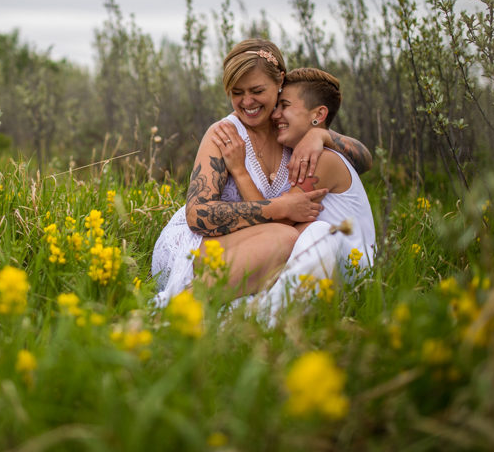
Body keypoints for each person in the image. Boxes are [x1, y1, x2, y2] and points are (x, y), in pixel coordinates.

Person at [150, 39, 372, 306]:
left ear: (280, 80)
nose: (247, 102)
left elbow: (363, 159)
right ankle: (178, 306)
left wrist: (321, 134)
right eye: (236, 93)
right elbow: (197, 216)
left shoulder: (290, 131)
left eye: (256, 90)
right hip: (199, 247)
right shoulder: (226, 134)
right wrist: (279, 207)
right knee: (287, 238)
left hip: (264, 250)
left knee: (290, 244)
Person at [215, 67, 377, 325]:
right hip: (321, 272)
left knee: (319, 232)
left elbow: (274, 229)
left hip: (343, 270)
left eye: (285, 105)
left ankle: (254, 323)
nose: (275, 114)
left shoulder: (320, 160)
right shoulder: (306, 155)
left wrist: (239, 171)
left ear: (318, 114)